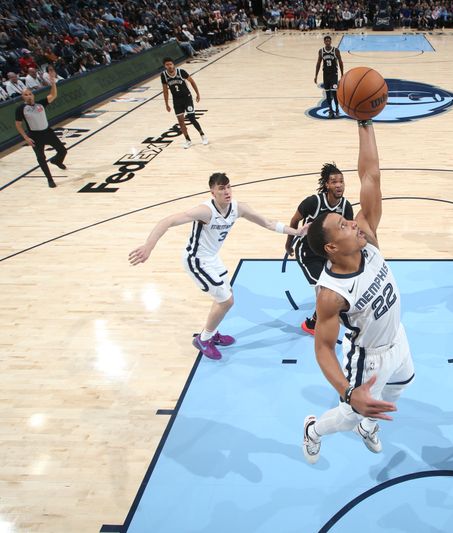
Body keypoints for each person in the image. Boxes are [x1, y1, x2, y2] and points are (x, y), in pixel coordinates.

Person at [302, 119, 415, 464]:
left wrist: (365, 123)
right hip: (369, 355)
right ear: (333, 248)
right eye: (342, 225)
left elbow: (371, 176)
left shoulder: (367, 235)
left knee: (404, 382)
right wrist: (348, 391)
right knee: (350, 412)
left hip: (398, 335)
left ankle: (368, 426)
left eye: (347, 218)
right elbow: (323, 347)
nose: (352, 221)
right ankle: (312, 431)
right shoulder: (331, 293)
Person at [128, 172, 308, 360]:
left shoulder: (238, 208)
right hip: (196, 260)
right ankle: (203, 340)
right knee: (226, 300)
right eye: (221, 188)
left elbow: (268, 223)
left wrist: (296, 232)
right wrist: (149, 245)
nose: (227, 191)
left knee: (225, 294)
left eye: (228, 186)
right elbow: (168, 221)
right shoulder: (205, 211)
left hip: (212, 258)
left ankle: (211, 333)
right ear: (213, 192)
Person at [285, 163, 354, 335]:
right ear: (327, 185)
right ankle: (313, 323)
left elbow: (348, 231)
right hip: (308, 253)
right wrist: (288, 243)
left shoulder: (346, 207)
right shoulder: (313, 202)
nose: (339, 185)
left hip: (329, 253)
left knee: (341, 283)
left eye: (341, 181)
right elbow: (294, 221)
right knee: (326, 287)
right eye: (334, 181)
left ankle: (324, 315)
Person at [14, 68, 67, 188]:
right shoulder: (21, 109)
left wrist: (53, 82)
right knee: (41, 158)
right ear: (23, 97)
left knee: (63, 151)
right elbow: (18, 124)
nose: (28, 96)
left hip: (47, 132)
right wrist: (26, 137)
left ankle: (56, 161)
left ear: (33, 95)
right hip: (35, 136)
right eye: (25, 95)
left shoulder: (40, 104)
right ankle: (50, 179)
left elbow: (53, 95)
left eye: (30, 94)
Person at [161, 57, 207, 149]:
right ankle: (188, 140)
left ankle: (202, 135)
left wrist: (197, 94)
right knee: (181, 122)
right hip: (176, 100)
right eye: (167, 65)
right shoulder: (163, 75)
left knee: (192, 118)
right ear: (164, 66)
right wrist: (166, 104)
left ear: (173, 64)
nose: (169, 66)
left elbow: (192, 82)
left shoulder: (181, 72)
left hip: (187, 98)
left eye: (170, 64)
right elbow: (165, 91)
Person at [314, 35, 344, 119]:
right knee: (328, 94)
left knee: (334, 93)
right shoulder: (321, 51)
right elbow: (318, 64)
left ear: (331, 42)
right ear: (324, 42)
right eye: (326, 41)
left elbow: (341, 62)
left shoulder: (336, 50)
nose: (327, 42)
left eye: (329, 41)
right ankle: (330, 110)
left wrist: (342, 74)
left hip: (334, 75)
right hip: (326, 75)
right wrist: (316, 75)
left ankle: (337, 110)